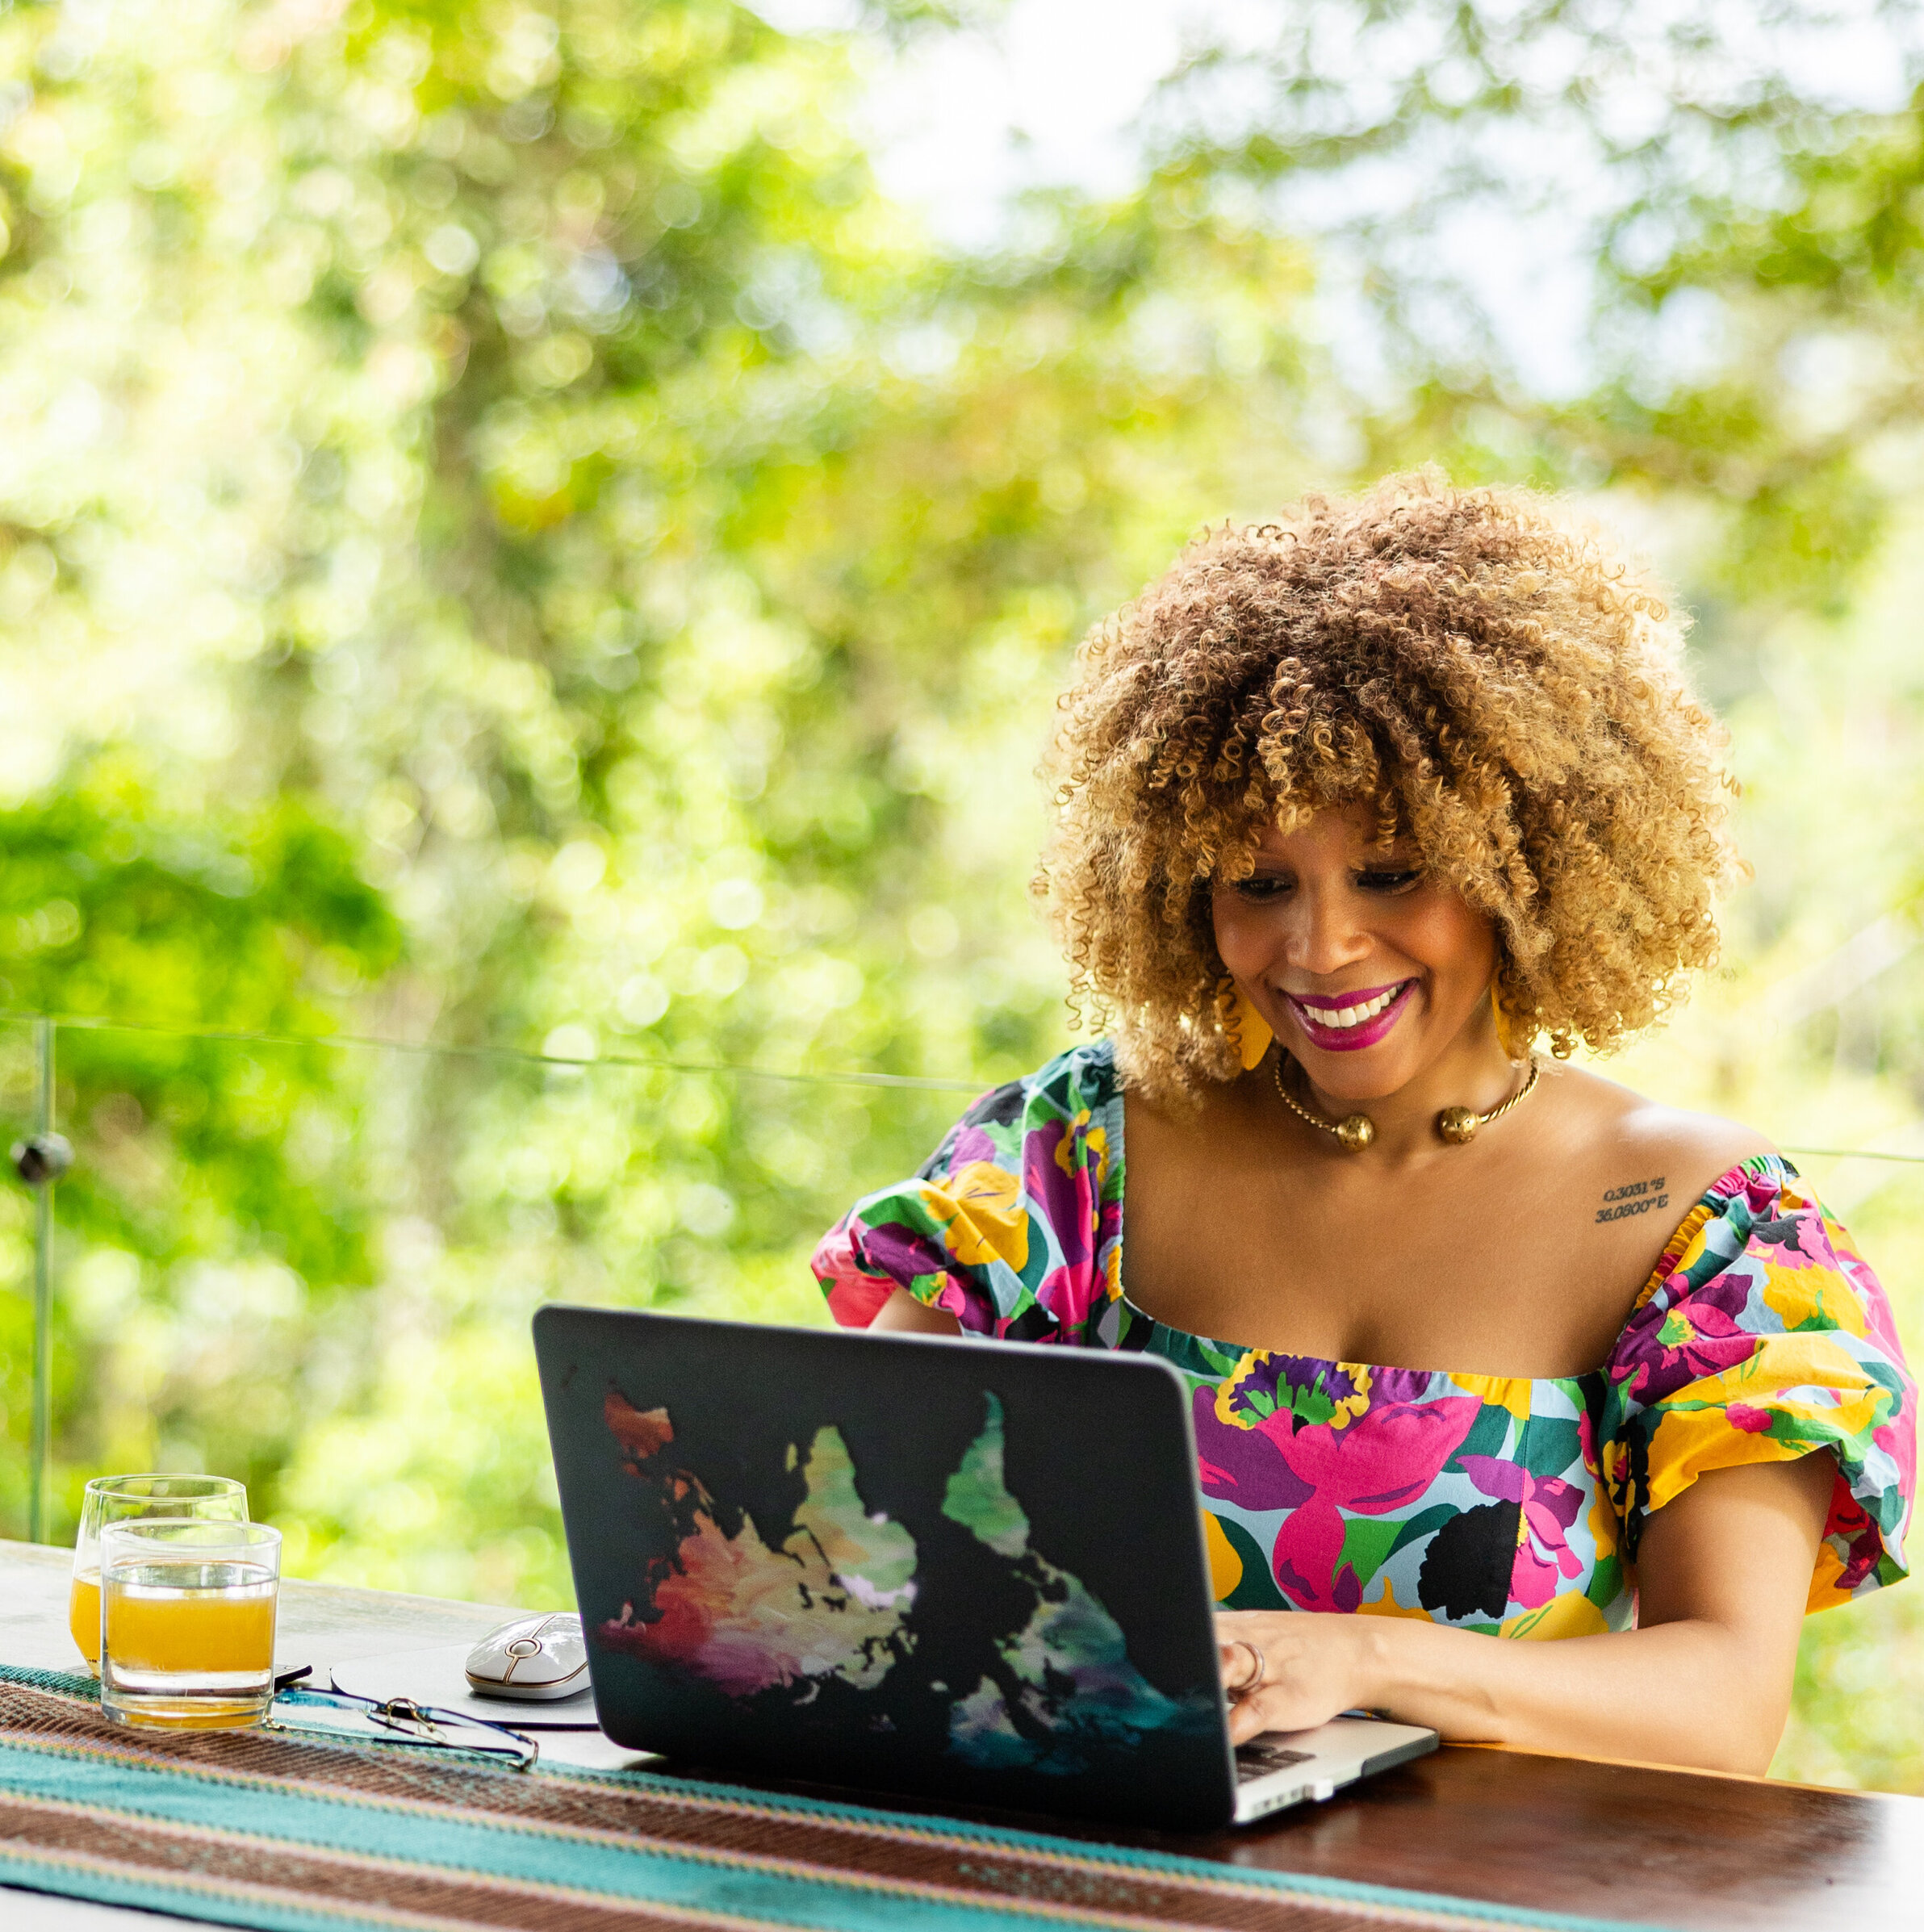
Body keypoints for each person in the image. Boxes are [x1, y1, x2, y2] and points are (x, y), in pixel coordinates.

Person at [812, 474, 1914, 1778]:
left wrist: (1362, 1661)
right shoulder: (1081, 1156)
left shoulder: (1706, 1234)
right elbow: (848, 1516)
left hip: (1491, 1921)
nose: (1320, 947)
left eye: (1392, 872)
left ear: (1534, 862)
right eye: (1259, 883)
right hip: (1101, 1873)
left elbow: (1725, 1704)